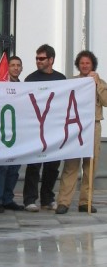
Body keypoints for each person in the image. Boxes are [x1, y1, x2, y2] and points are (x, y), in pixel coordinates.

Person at [56, 50, 107, 214]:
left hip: (93, 126)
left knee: (90, 166)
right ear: (78, 65)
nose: (85, 65)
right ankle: (64, 202)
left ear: (93, 65)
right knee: (71, 165)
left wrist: (97, 83)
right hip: (75, 126)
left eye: (88, 63)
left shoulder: (100, 82)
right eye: (82, 63)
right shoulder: (72, 82)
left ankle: (86, 201)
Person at [23, 44, 66, 212]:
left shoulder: (61, 79)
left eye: (41, 58)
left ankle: (47, 199)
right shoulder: (30, 79)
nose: (38, 61)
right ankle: (29, 199)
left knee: (53, 166)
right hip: (35, 127)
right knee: (34, 165)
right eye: (36, 58)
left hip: (54, 128)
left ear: (51, 60)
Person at [0, 56, 25, 212]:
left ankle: (8, 198)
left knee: (14, 168)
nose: (16, 68)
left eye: (18, 65)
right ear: (8, 67)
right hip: (3, 132)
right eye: (13, 65)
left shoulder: (24, 87)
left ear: (21, 68)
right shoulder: (2, 85)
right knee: (1, 168)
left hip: (18, 133)